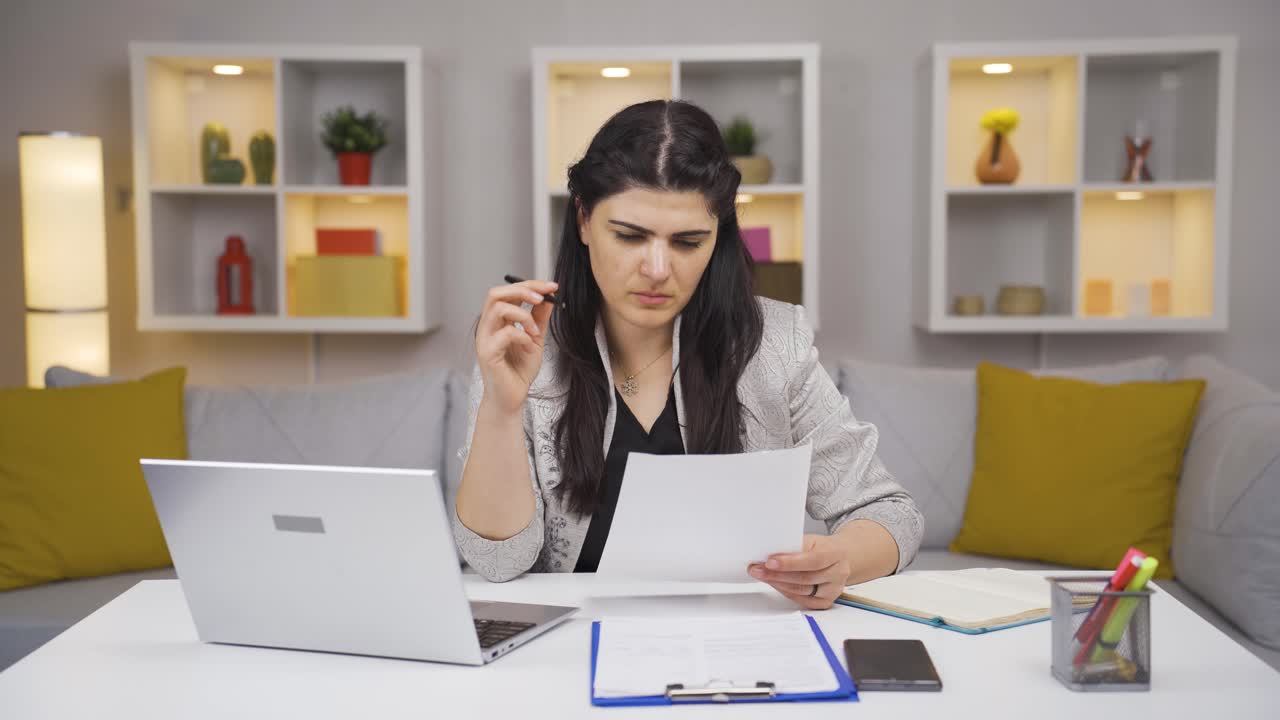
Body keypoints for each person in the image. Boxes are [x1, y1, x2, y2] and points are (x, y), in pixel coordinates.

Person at [454, 99, 922, 608]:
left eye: (687, 242)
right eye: (630, 236)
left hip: (733, 646)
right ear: (585, 221)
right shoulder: (523, 340)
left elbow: (891, 513)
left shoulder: (773, 343)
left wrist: (840, 560)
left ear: (717, 236)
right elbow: (497, 562)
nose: (657, 269)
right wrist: (501, 409)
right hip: (566, 650)